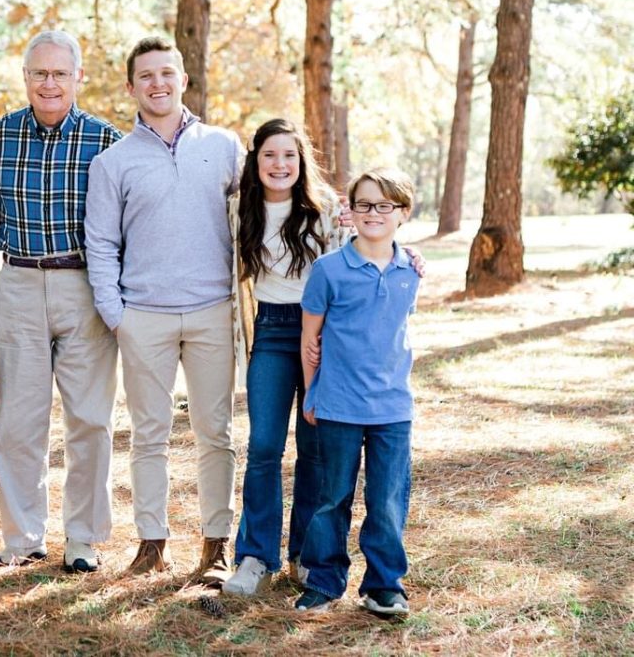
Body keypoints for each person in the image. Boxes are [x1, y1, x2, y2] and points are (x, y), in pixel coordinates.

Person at [85, 37, 244, 583]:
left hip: (212, 312)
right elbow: (101, 244)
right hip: (143, 317)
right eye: (146, 76)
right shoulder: (113, 162)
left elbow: (266, 214)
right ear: (131, 87)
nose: (158, 83)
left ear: (183, 79)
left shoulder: (224, 147)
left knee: (215, 432)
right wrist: (117, 316)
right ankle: (153, 541)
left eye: (166, 73)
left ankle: (216, 544)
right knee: (148, 434)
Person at [0, 29, 121, 572]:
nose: (49, 82)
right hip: (18, 283)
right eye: (39, 73)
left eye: (59, 73)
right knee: (19, 422)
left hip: (83, 284)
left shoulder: (105, 140)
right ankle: (21, 539)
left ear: (78, 78)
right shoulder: (1, 135)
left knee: (89, 418)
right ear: (25, 78)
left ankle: (83, 539)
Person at [222, 119, 348, 596]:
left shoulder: (328, 210)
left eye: (289, 155)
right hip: (272, 331)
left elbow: (359, 257)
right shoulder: (239, 210)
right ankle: (256, 557)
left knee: (314, 449)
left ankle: (305, 557)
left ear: (302, 161)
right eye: (270, 155)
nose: (280, 164)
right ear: (256, 162)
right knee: (265, 447)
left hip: (322, 333)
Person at [293, 169, 421, 616]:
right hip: (339, 405)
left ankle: (384, 585)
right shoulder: (328, 271)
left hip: (392, 407)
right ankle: (324, 581)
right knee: (332, 498)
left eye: (385, 205)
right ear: (350, 211)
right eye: (364, 204)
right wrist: (311, 394)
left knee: (387, 499)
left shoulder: (410, 270)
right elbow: (311, 341)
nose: (373, 213)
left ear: (402, 213)